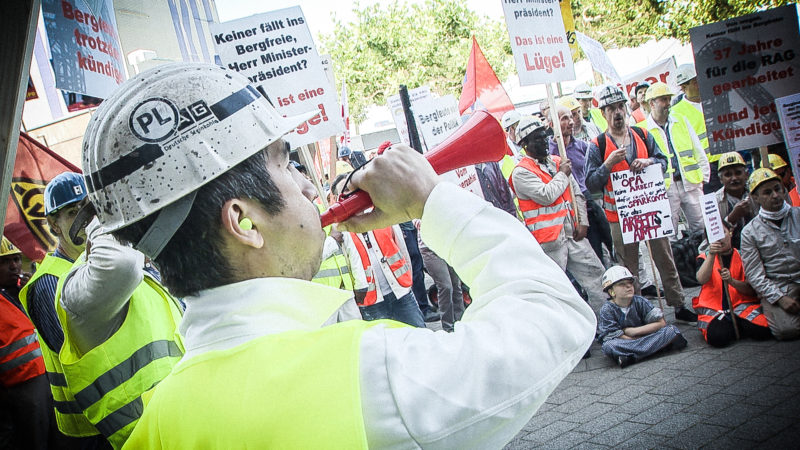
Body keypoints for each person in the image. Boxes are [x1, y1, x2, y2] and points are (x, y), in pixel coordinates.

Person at [80, 63, 595, 448]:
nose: (309, 186)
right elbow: (555, 315)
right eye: (286, 165)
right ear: (243, 223)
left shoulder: (159, 421)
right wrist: (430, 200)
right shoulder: (374, 371)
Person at [55, 218, 184, 446]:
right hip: (148, 437)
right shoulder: (81, 291)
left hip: (178, 427)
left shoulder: (147, 277)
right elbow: (120, 262)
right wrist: (106, 209)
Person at [585, 84, 697, 323]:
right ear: (603, 113)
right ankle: (635, 312)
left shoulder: (643, 135)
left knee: (664, 258)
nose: (616, 113)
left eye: (619, 107)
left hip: (649, 209)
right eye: (610, 109)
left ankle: (678, 304)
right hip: (620, 218)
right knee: (628, 268)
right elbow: (591, 183)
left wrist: (647, 162)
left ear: (625, 108)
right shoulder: (598, 145)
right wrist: (607, 165)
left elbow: (663, 162)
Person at [19, 173, 110, 448]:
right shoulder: (48, 282)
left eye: (89, 209)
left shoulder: (99, 268)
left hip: (119, 410)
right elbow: (79, 354)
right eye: (73, 213)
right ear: (54, 226)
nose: (86, 221)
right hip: (88, 428)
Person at [511, 115, 607, 312]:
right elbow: (546, 195)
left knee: (596, 276)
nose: (544, 142)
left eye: (544, 137)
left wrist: (583, 221)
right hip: (549, 242)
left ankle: (607, 322)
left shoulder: (557, 161)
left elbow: (577, 193)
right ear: (525, 144)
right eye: (537, 139)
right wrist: (563, 173)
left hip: (573, 233)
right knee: (557, 290)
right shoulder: (521, 172)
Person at [330, 175, 426, 327]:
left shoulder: (381, 213)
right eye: (346, 191)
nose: (352, 196)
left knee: (420, 334)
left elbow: (401, 247)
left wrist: (407, 282)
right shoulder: (338, 230)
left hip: (400, 291)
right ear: (337, 198)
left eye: (354, 190)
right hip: (370, 302)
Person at [0, 237, 51, 450]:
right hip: (16, 387)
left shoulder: (26, 289)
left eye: (16, 259)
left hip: (45, 377)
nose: (14, 266)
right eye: (5, 261)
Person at [641, 82, 709, 236]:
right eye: (663, 100)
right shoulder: (644, 129)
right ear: (651, 103)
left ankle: (702, 258)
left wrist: (703, 178)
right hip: (665, 188)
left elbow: (698, 150)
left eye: (668, 99)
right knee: (669, 232)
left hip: (690, 183)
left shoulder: (681, 121)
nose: (667, 103)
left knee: (701, 228)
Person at [740, 168, 800, 340]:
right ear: (755, 198)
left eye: (777, 189)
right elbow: (755, 275)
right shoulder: (750, 232)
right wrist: (780, 298)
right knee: (787, 331)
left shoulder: (798, 215)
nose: (775, 195)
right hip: (779, 286)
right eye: (767, 192)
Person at [550, 105, 612, 265]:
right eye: (564, 118)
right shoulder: (548, 153)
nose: (571, 122)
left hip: (590, 206)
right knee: (587, 258)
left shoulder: (584, 147)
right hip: (569, 213)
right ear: (552, 125)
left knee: (607, 249)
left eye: (571, 117)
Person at [693, 229, 771, 347]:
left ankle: (737, 328)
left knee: (763, 330)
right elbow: (701, 279)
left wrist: (732, 282)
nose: (719, 238)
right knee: (718, 338)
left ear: (730, 233)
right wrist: (712, 254)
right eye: (713, 234)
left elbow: (751, 290)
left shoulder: (743, 256)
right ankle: (736, 329)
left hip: (742, 306)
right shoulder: (704, 257)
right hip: (715, 309)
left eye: (722, 232)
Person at [597, 266, 687, 368]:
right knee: (609, 346)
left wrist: (635, 331)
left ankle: (631, 357)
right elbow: (612, 334)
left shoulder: (640, 301)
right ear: (611, 291)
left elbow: (661, 323)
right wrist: (632, 339)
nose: (628, 287)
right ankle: (656, 349)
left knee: (671, 330)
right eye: (622, 284)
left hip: (644, 335)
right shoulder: (607, 309)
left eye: (630, 283)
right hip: (626, 340)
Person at [671, 63, 721, 194]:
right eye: (695, 82)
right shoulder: (676, 112)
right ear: (683, 87)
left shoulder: (716, 100)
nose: (699, 84)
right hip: (708, 166)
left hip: (726, 158)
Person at [416, 219, 463, 332]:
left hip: (446, 246)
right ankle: (448, 326)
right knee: (446, 286)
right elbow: (416, 222)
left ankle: (461, 321)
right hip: (429, 249)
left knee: (456, 285)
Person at [716, 152, 756, 249]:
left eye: (738, 173)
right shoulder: (714, 201)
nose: (734, 178)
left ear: (746, 174)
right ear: (721, 179)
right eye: (728, 175)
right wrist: (731, 219)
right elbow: (712, 237)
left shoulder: (756, 193)